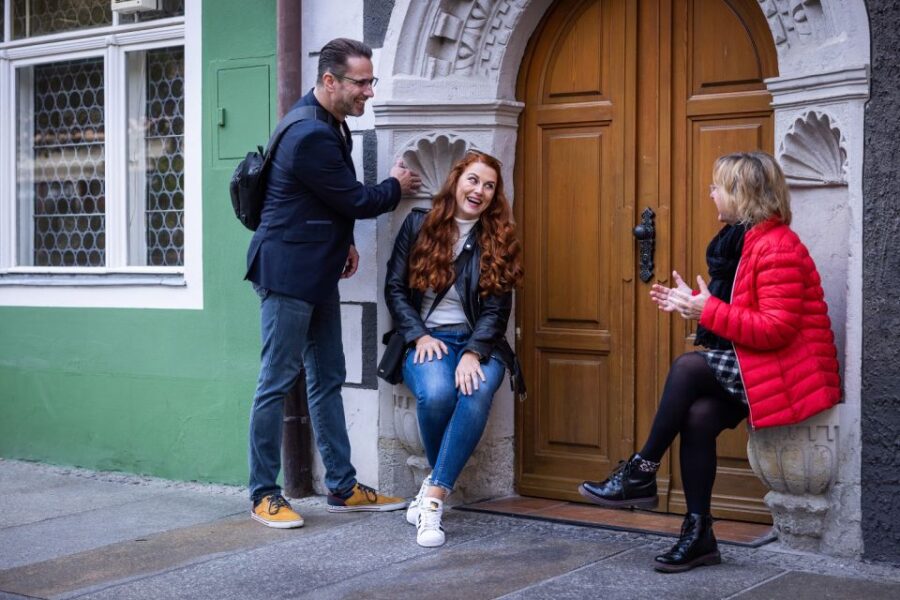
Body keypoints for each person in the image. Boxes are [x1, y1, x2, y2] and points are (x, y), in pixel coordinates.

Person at [578, 151, 840, 572]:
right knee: (698, 416)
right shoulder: (750, 241)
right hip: (761, 364)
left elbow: (776, 328)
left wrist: (708, 311)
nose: (711, 193)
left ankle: (641, 470)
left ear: (741, 193)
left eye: (717, 185)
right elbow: (746, 314)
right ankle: (699, 534)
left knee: (688, 367)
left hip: (789, 371)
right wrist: (694, 305)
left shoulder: (777, 247)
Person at [245, 38, 422, 528]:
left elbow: (317, 200)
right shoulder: (311, 134)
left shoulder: (328, 122)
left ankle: (342, 488)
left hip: (316, 268)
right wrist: (395, 187)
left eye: (371, 81)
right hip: (286, 273)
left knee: (327, 379)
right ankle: (263, 493)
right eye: (360, 82)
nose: (368, 91)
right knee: (276, 383)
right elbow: (355, 199)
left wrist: (341, 243)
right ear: (330, 81)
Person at [384, 150, 525, 547]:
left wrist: (472, 352)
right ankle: (437, 486)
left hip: (481, 341)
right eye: (473, 180)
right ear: (456, 180)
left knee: (475, 390)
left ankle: (432, 496)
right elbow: (394, 289)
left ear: (495, 196)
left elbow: (498, 309)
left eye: (489, 186)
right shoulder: (418, 226)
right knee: (438, 392)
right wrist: (419, 334)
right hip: (427, 338)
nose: (479, 191)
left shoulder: (497, 239)